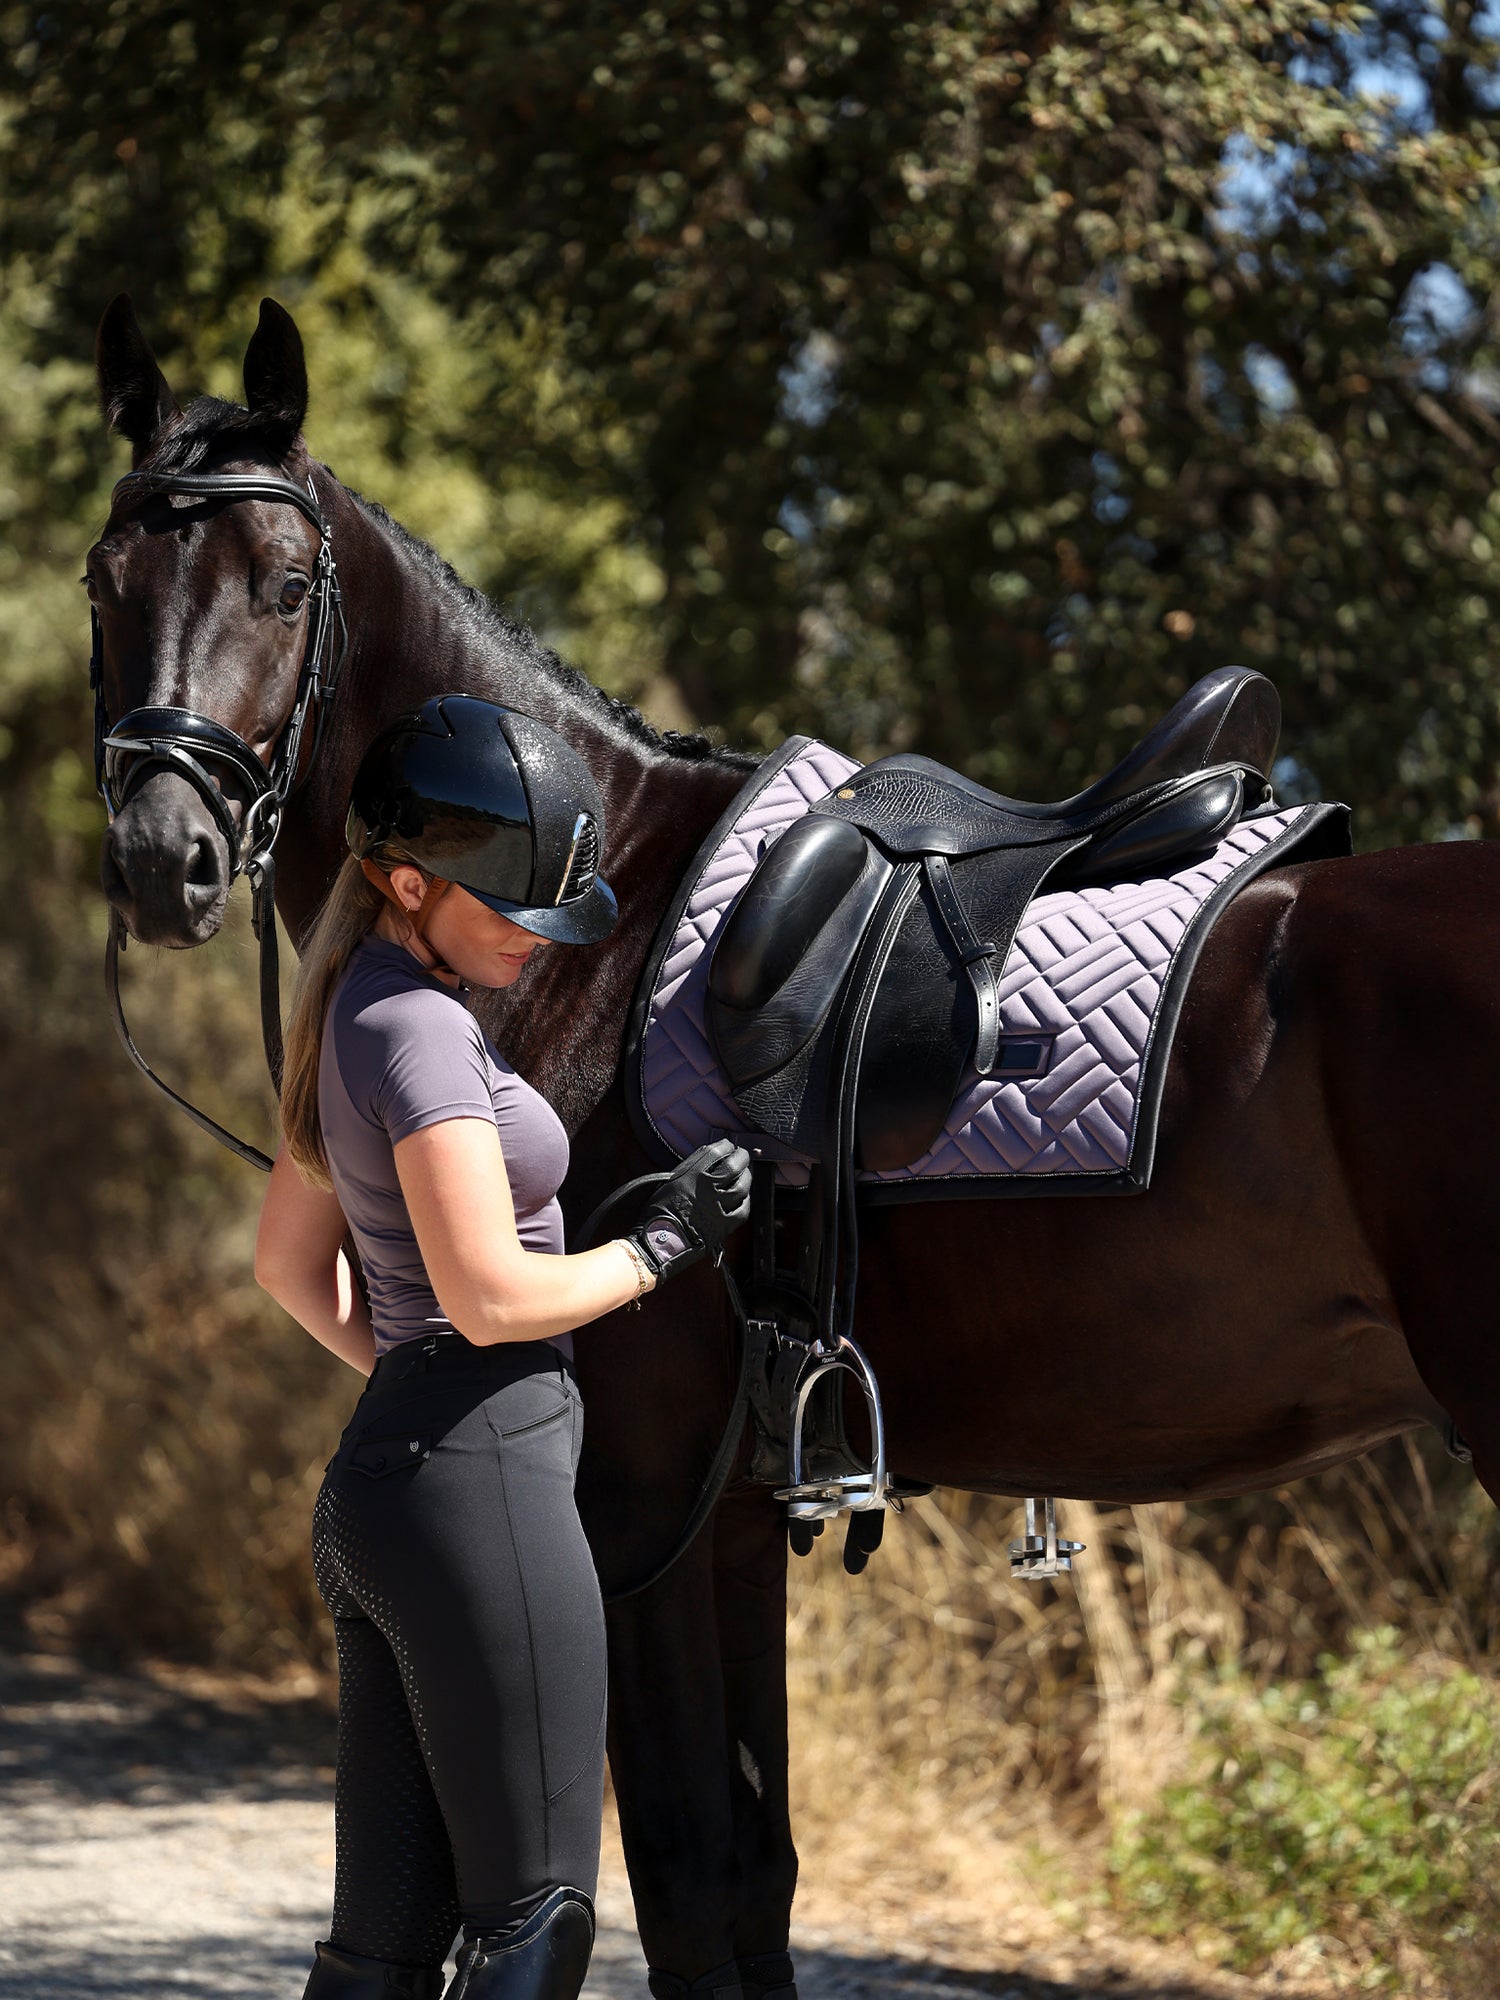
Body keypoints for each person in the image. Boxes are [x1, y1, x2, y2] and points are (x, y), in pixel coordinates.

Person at [254, 693, 751, 2000]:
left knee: (384, 1947)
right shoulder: (421, 1034)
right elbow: (487, 1296)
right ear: (407, 882)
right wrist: (659, 1249)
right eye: (514, 908)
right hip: (479, 1490)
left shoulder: (354, 1005)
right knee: (537, 1919)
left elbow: (286, 1268)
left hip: (391, 1494)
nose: (537, 941)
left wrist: (419, 1392)